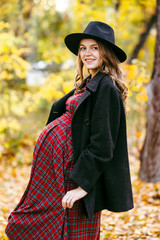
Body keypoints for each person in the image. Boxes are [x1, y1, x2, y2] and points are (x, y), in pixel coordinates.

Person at [5, 21, 133, 240]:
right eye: (83, 48)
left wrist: (83, 186)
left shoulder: (107, 87)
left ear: (106, 52)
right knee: (45, 224)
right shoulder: (89, 83)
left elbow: (103, 144)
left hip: (77, 174)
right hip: (61, 170)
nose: (87, 53)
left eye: (94, 47)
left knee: (71, 232)